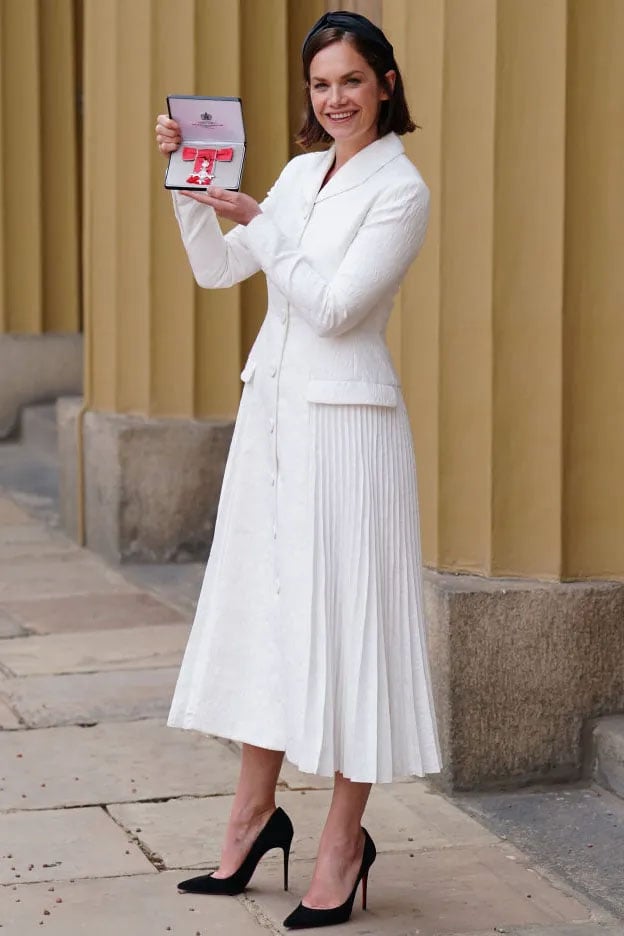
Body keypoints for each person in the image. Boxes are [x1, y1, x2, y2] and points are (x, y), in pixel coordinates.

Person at [155, 10, 441, 930]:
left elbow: (333, 308)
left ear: (385, 83)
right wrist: (192, 187)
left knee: (348, 630)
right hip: (273, 421)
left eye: (351, 81)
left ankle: (342, 842)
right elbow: (215, 274)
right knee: (268, 615)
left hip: (348, 433)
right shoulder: (296, 172)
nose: (335, 99)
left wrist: (262, 229)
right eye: (321, 85)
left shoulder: (402, 191)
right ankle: (249, 819)